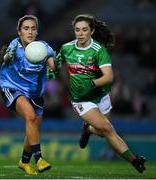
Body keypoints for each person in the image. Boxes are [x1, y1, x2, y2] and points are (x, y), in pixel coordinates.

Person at [56, 14, 146, 173]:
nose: (80, 33)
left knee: (103, 132)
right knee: (108, 128)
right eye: (77, 30)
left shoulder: (99, 51)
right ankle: (134, 160)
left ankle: (88, 129)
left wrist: (91, 83)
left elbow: (109, 77)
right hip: (81, 99)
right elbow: (55, 65)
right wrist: (46, 65)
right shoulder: (66, 48)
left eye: (84, 30)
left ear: (91, 31)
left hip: (102, 96)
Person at [0, 15, 55, 175]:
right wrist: (7, 57)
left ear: (37, 32)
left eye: (33, 28)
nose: (29, 32)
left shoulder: (44, 48)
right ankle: (39, 158)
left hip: (35, 93)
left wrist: (54, 67)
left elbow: (53, 66)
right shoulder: (15, 45)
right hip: (12, 88)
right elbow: (6, 57)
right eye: (26, 28)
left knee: (33, 127)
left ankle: (24, 162)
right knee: (30, 117)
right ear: (19, 32)